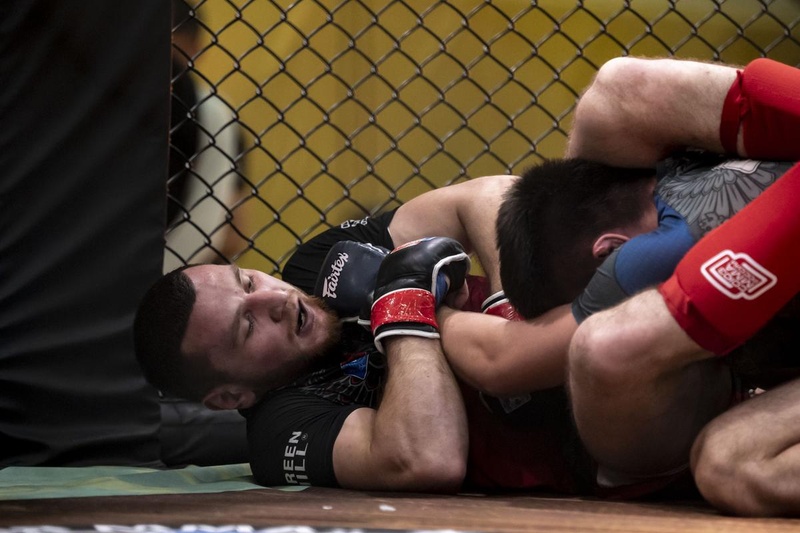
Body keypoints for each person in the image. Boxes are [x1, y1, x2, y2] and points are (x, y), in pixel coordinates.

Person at [439, 56, 800, 515]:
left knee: (615, 94)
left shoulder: (630, 266)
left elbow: (500, 359)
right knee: (728, 463)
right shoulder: (645, 147)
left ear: (608, 250)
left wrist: (411, 303)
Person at [136, 175, 596, 494]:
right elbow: (427, 459)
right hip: (587, 434)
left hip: (573, 312)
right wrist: (403, 301)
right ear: (230, 396)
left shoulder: (315, 267)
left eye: (249, 281)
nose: (275, 298)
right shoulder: (281, 429)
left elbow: (487, 196)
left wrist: (509, 307)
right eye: (247, 325)